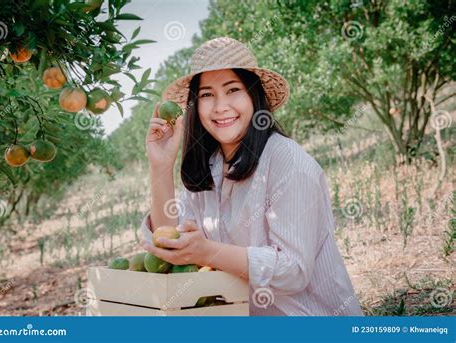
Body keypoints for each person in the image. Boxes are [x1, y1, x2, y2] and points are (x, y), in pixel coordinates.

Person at [139, 37, 363, 316]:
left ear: (253, 95)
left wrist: (207, 251)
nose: (220, 106)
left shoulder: (288, 161)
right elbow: (168, 240)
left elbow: (293, 271)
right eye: (207, 95)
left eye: (232, 89)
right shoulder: (213, 167)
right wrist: (160, 166)